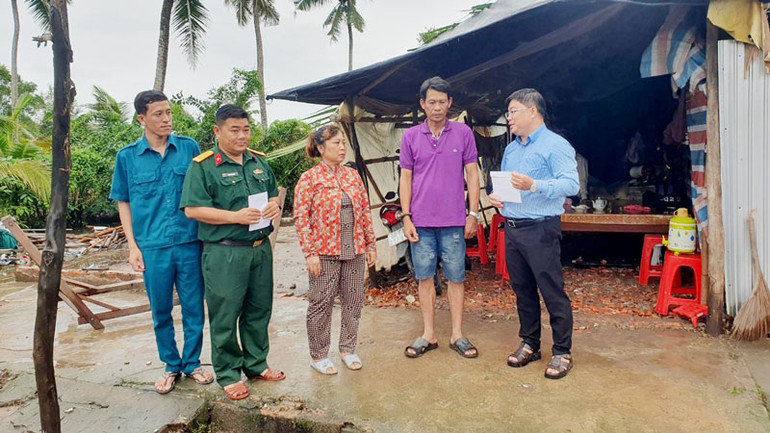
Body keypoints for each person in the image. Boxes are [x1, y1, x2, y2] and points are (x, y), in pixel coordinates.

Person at [109, 90, 214, 394]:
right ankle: (171, 365)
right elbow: (124, 202)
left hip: (190, 242)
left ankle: (192, 363)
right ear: (141, 119)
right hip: (152, 247)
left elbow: (202, 193)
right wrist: (132, 247)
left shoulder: (188, 148)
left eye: (168, 112)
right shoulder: (127, 157)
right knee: (161, 310)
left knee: (194, 307)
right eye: (158, 114)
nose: (167, 119)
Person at [180, 104, 284, 400]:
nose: (242, 136)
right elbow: (192, 209)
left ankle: (256, 364)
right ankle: (228, 374)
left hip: (260, 249)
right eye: (234, 130)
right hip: (225, 253)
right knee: (225, 315)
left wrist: (275, 206)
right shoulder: (203, 166)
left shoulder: (258, 162)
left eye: (246, 129)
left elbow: (273, 195)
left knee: (258, 311)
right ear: (217, 131)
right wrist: (234, 217)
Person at [489, 88, 579, 380]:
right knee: (523, 291)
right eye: (508, 113)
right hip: (513, 227)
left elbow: (571, 185)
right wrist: (498, 197)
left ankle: (562, 351)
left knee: (551, 290)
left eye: (513, 111)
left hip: (541, 228)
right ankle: (530, 343)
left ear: (532, 111)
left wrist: (534, 185)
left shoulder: (556, 145)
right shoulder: (512, 149)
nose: (509, 118)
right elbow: (508, 185)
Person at [399, 76, 481, 359]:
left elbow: (472, 174)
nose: (437, 108)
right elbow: (406, 178)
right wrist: (406, 217)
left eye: (442, 102)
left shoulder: (463, 133)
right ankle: (428, 334)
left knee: (456, 277)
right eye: (431, 102)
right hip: (420, 222)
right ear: (422, 104)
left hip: (454, 221)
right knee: (424, 277)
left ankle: (457, 334)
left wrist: (473, 213)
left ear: (450, 103)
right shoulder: (410, 136)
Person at [293, 125, 377, 375]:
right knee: (321, 303)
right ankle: (318, 355)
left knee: (353, 301)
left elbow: (365, 211)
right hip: (324, 253)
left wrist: (371, 244)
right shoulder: (309, 179)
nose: (342, 148)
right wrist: (310, 253)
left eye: (343, 143)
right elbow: (301, 218)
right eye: (336, 143)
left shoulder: (352, 176)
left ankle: (348, 349)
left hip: (355, 250)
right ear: (321, 148)